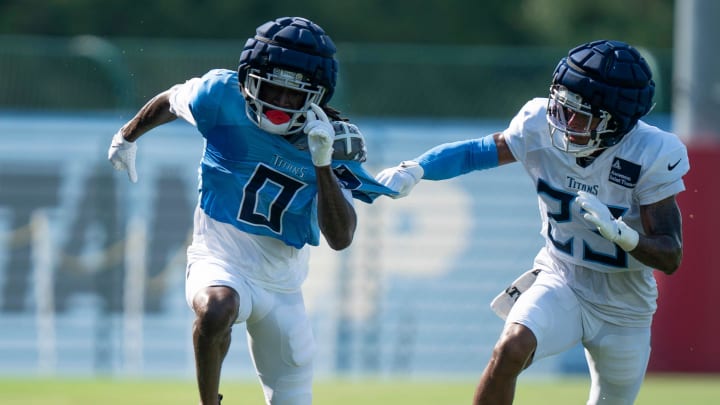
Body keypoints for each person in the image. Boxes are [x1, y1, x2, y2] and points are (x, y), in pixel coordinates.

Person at [375, 39, 689, 405]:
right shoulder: (539, 124)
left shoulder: (650, 153)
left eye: (580, 115)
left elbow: (670, 256)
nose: (564, 122)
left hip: (625, 304)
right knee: (511, 348)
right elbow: (477, 152)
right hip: (562, 277)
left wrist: (623, 234)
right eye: (562, 106)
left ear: (614, 123)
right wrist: (417, 169)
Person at [107, 16, 395, 405]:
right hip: (218, 256)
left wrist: (323, 164)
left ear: (317, 97)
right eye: (272, 87)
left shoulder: (332, 140)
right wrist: (127, 136)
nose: (279, 103)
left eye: (295, 95)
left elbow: (341, 237)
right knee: (216, 308)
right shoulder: (219, 96)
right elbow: (171, 100)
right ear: (249, 78)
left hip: (282, 286)